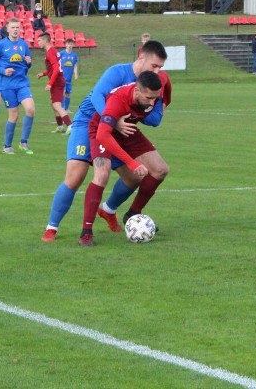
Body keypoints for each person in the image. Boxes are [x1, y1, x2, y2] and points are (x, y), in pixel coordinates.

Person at [41, 40, 168, 242]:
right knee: (76, 177)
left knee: (135, 177)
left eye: (161, 67)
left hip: (118, 127)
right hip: (89, 122)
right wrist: (115, 120)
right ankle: (52, 227)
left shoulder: (153, 84)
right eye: (154, 65)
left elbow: (154, 119)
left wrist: (156, 104)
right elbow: (97, 97)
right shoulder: (117, 72)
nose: (158, 70)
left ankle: (108, 210)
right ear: (141, 56)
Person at [78, 71, 167, 246]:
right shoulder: (119, 100)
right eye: (148, 98)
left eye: (155, 98)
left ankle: (133, 214)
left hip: (127, 130)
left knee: (160, 169)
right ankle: (86, 232)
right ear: (137, 91)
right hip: (103, 130)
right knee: (102, 175)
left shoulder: (157, 89)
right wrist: (132, 162)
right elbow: (103, 135)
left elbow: (166, 89)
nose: (152, 103)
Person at [0, 17, 35, 154]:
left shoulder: (23, 45)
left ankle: (23, 142)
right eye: (12, 27)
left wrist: (28, 62)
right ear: (7, 29)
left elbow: (27, 64)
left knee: (30, 109)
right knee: (14, 115)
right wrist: (3, 71)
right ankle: (7, 146)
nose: (15, 30)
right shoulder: (1, 45)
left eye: (17, 27)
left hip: (22, 83)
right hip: (7, 85)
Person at [36, 32, 72, 134]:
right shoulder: (53, 51)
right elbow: (53, 69)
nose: (38, 43)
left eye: (39, 40)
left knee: (56, 105)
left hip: (57, 82)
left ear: (45, 40)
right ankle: (60, 127)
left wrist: (50, 83)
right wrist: (43, 74)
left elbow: (56, 69)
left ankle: (70, 125)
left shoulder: (50, 52)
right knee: (53, 104)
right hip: (58, 80)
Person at [59, 38, 79, 111]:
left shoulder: (74, 55)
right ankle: (61, 108)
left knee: (68, 94)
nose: (70, 45)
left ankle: (66, 109)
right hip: (61, 78)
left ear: (73, 45)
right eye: (68, 44)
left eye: (71, 44)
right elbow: (56, 62)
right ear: (65, 44)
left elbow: (75, 65)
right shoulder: (61, 53)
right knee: (63, 92)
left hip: (69, 79)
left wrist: (76, 74)